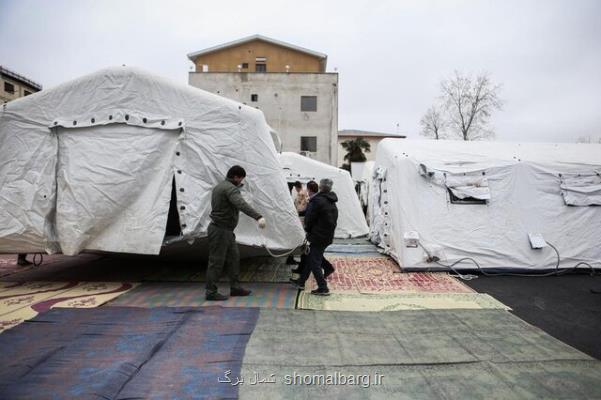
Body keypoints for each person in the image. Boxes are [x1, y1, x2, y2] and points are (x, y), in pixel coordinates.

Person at [205, 165, 266, 301]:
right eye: (241, 179)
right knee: (216, 262)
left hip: (224, 230)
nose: (241, 182)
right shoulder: (231, 189)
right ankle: (210, 292)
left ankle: (235, 287)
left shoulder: (220, 186)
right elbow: (241, 204)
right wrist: (258, 216)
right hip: (220, 230)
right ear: (236, 177)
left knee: (234, 257)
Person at [295, 178, 338, 295]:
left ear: (320, 187)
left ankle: (323, 287)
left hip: (317, 236)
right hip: (327, 235)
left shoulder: (317, 201)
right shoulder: (331, 201)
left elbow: (309, 218)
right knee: (311, 257)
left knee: (314, 261)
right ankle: (301, 281)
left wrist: (308, 231)